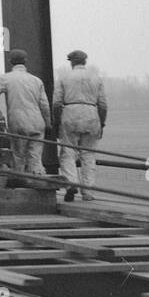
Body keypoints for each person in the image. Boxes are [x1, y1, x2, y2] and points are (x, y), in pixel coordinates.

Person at [53, 50, 107, 202]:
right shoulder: (96, 78)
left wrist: (57, 122)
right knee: (88, 155)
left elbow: (56, 103)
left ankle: (71, 183)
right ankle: (88, 191)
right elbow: (103, 104)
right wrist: (101, 123)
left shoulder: (63, 78)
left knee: (67, 153)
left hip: (70, 114)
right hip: (92, 114)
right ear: (85, 62)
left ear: (71, 62)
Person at [0, 48, 49, 178]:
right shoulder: (36, 80)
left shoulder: (5, 79)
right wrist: (48, 123)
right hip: (37, 122)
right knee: (35, 157)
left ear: (10, 61)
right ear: (26, 62)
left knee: (18, 156)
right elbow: (44, 105)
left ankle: (19, 181)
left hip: (17, 122)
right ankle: (38, 181)